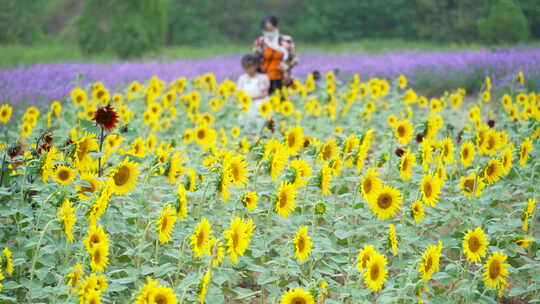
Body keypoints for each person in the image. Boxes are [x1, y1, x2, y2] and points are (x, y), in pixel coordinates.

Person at [253, 15, 297, 96]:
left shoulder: (287, 40)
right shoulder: (260, 42)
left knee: (283, 101)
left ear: (276, 27)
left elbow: (294, 59)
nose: (269, 32)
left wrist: (287, 67)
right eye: (266, 29)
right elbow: (255, 61)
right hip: (265, 79)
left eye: (271, 29)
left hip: (283, 78)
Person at [237, 54, 270, 119]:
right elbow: (239, 93)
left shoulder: (262, 78)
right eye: (245, 67)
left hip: (260, 105)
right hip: (246, 105)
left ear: (256, 66)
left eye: (249, 67)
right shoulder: (242, 79)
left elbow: (264, 94)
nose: (248, 70)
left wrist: (250, 98)